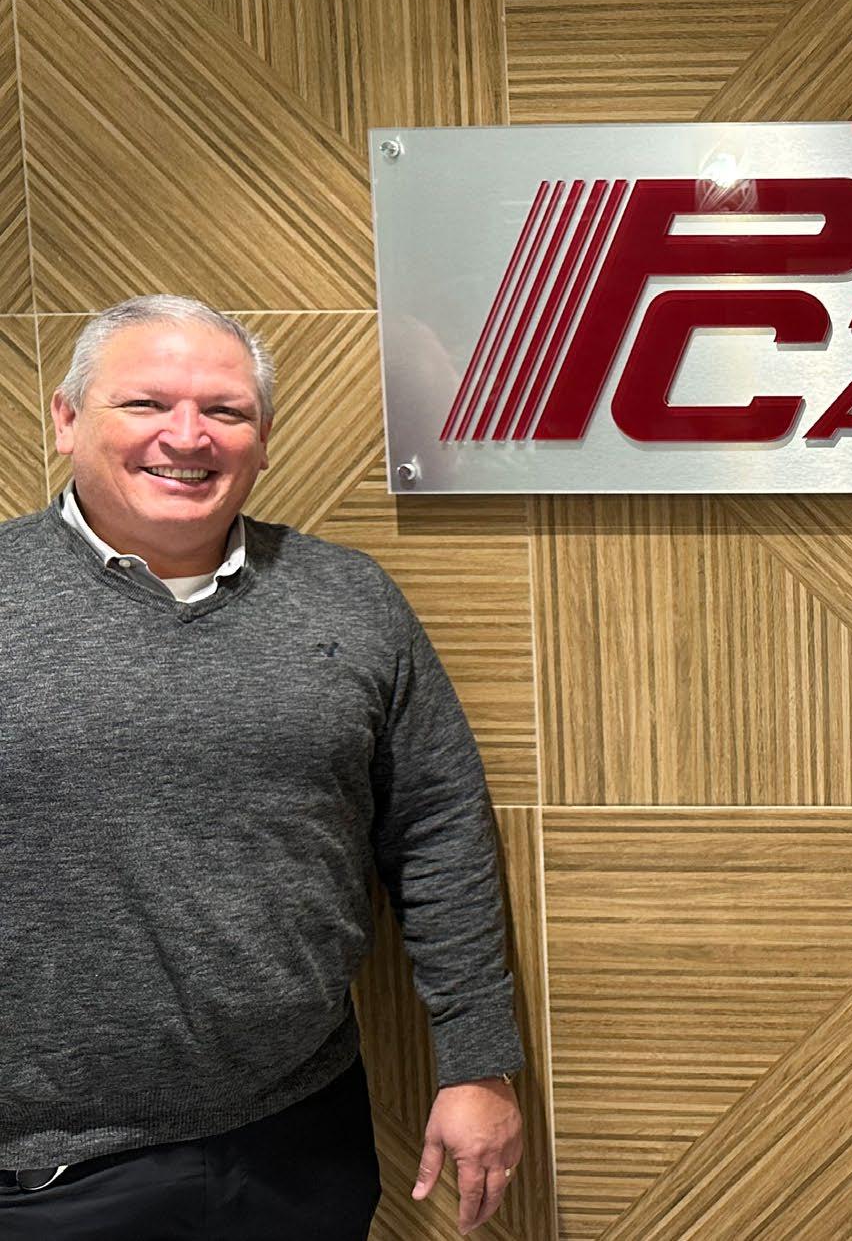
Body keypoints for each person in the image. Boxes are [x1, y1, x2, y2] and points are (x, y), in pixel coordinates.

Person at [0, 296, 524, 1239]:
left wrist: (476, 1062)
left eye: (226, 411)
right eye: (145, 404)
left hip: (300, 1135)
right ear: (67, 419)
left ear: (264, 440)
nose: (186, 436)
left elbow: (438, 831)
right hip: (48, 1166)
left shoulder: (349, 597)